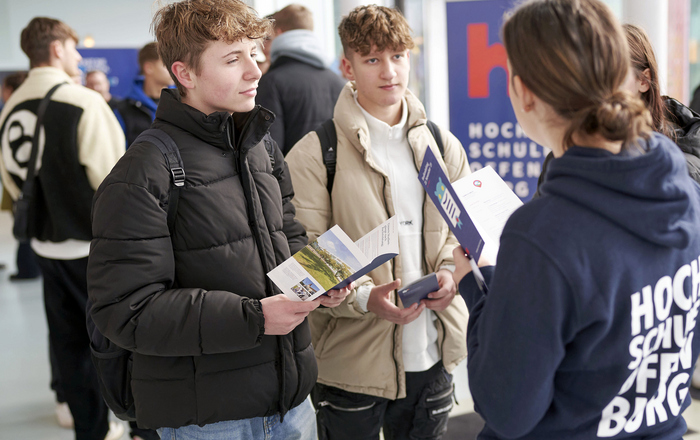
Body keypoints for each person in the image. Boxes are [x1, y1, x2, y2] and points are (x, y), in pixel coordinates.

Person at [87, 1, 352, 438]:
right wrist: (256, 318)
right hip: (208, 419)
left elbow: (287, 235)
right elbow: (127, 310)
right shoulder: (143, 171)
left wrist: (322, 278)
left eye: (254, 52)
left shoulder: (260, 147)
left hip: (292, 401)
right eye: (233, 59)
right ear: (185, 74)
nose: (255, 71)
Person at [452, 0, 700, 438]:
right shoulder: (682, 186)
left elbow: (506, 409)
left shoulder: (540, 236)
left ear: (524, 91)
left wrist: (479, 284)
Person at [285, 5, 469, 440]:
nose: (389, 71)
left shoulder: (442, 144)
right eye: (372, 59)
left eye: (398, 56)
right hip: (351, 365)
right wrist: (366, 299)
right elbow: (305, 255)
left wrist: (449, 273)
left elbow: (461, 231)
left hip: (432, 353)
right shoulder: (315, 153)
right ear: (347, 66)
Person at [0, 17, 125, 440]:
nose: (77, 56)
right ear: (56, 49)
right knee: (113, 341)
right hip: (92, 250)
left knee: (66, 345)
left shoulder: (11, 108)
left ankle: (88, 430)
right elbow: (115, 186)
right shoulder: (82, 103)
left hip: (43, 245)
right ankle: (134, 423)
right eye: (74, 48)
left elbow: (12, 182)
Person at [256, 4, 346, 155]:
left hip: (291, 177)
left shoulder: (272, 83)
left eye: (266, 38)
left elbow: (268, 155)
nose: (262, 47)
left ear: (280, 34)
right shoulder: (338, 82)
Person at [0, 71, 42, 282]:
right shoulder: (36, 110)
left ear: (8, 91)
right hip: (30, 181)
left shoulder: (8, 113)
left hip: (19, 182)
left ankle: (28, 269)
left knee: (23, 221)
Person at [112, 42, 174, 146]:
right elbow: (118, 151)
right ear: (148, 68)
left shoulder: (184, 104)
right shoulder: (123, 110)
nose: (173, 69)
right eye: (166, 64)